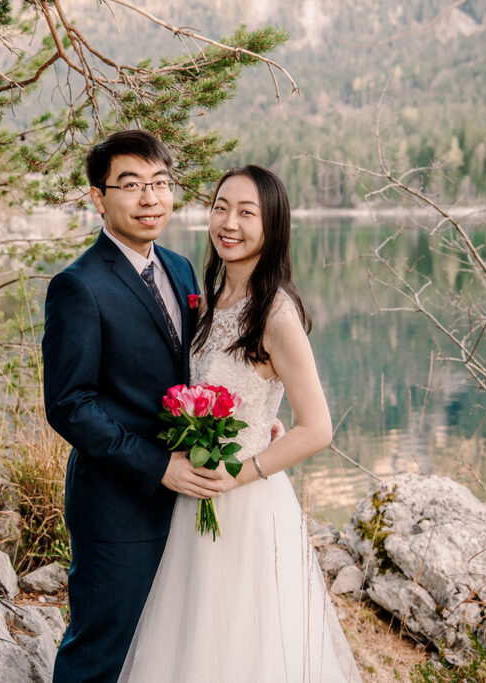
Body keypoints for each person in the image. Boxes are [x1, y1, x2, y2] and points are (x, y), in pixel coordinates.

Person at [118, 165, 361, 682]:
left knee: (246, 646)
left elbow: (317, 428)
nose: (229, 222)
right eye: (221, 207)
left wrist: (240, 470)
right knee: (194, 641)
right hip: (194, 501)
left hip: (246, 503)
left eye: (246, 212)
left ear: (272, 226)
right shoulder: (207, 302)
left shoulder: (276, 314)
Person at [43, 130, 233, 682]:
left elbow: (191, 372)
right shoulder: (78, 286)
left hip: (186, 499)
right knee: (101, 654)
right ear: (99, 198)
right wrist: (159, 467)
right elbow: (69, 405)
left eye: (159, 184)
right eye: (131, 186)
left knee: (166, 649)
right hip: (117, 508)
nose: (150, 199)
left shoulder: (179, 267)